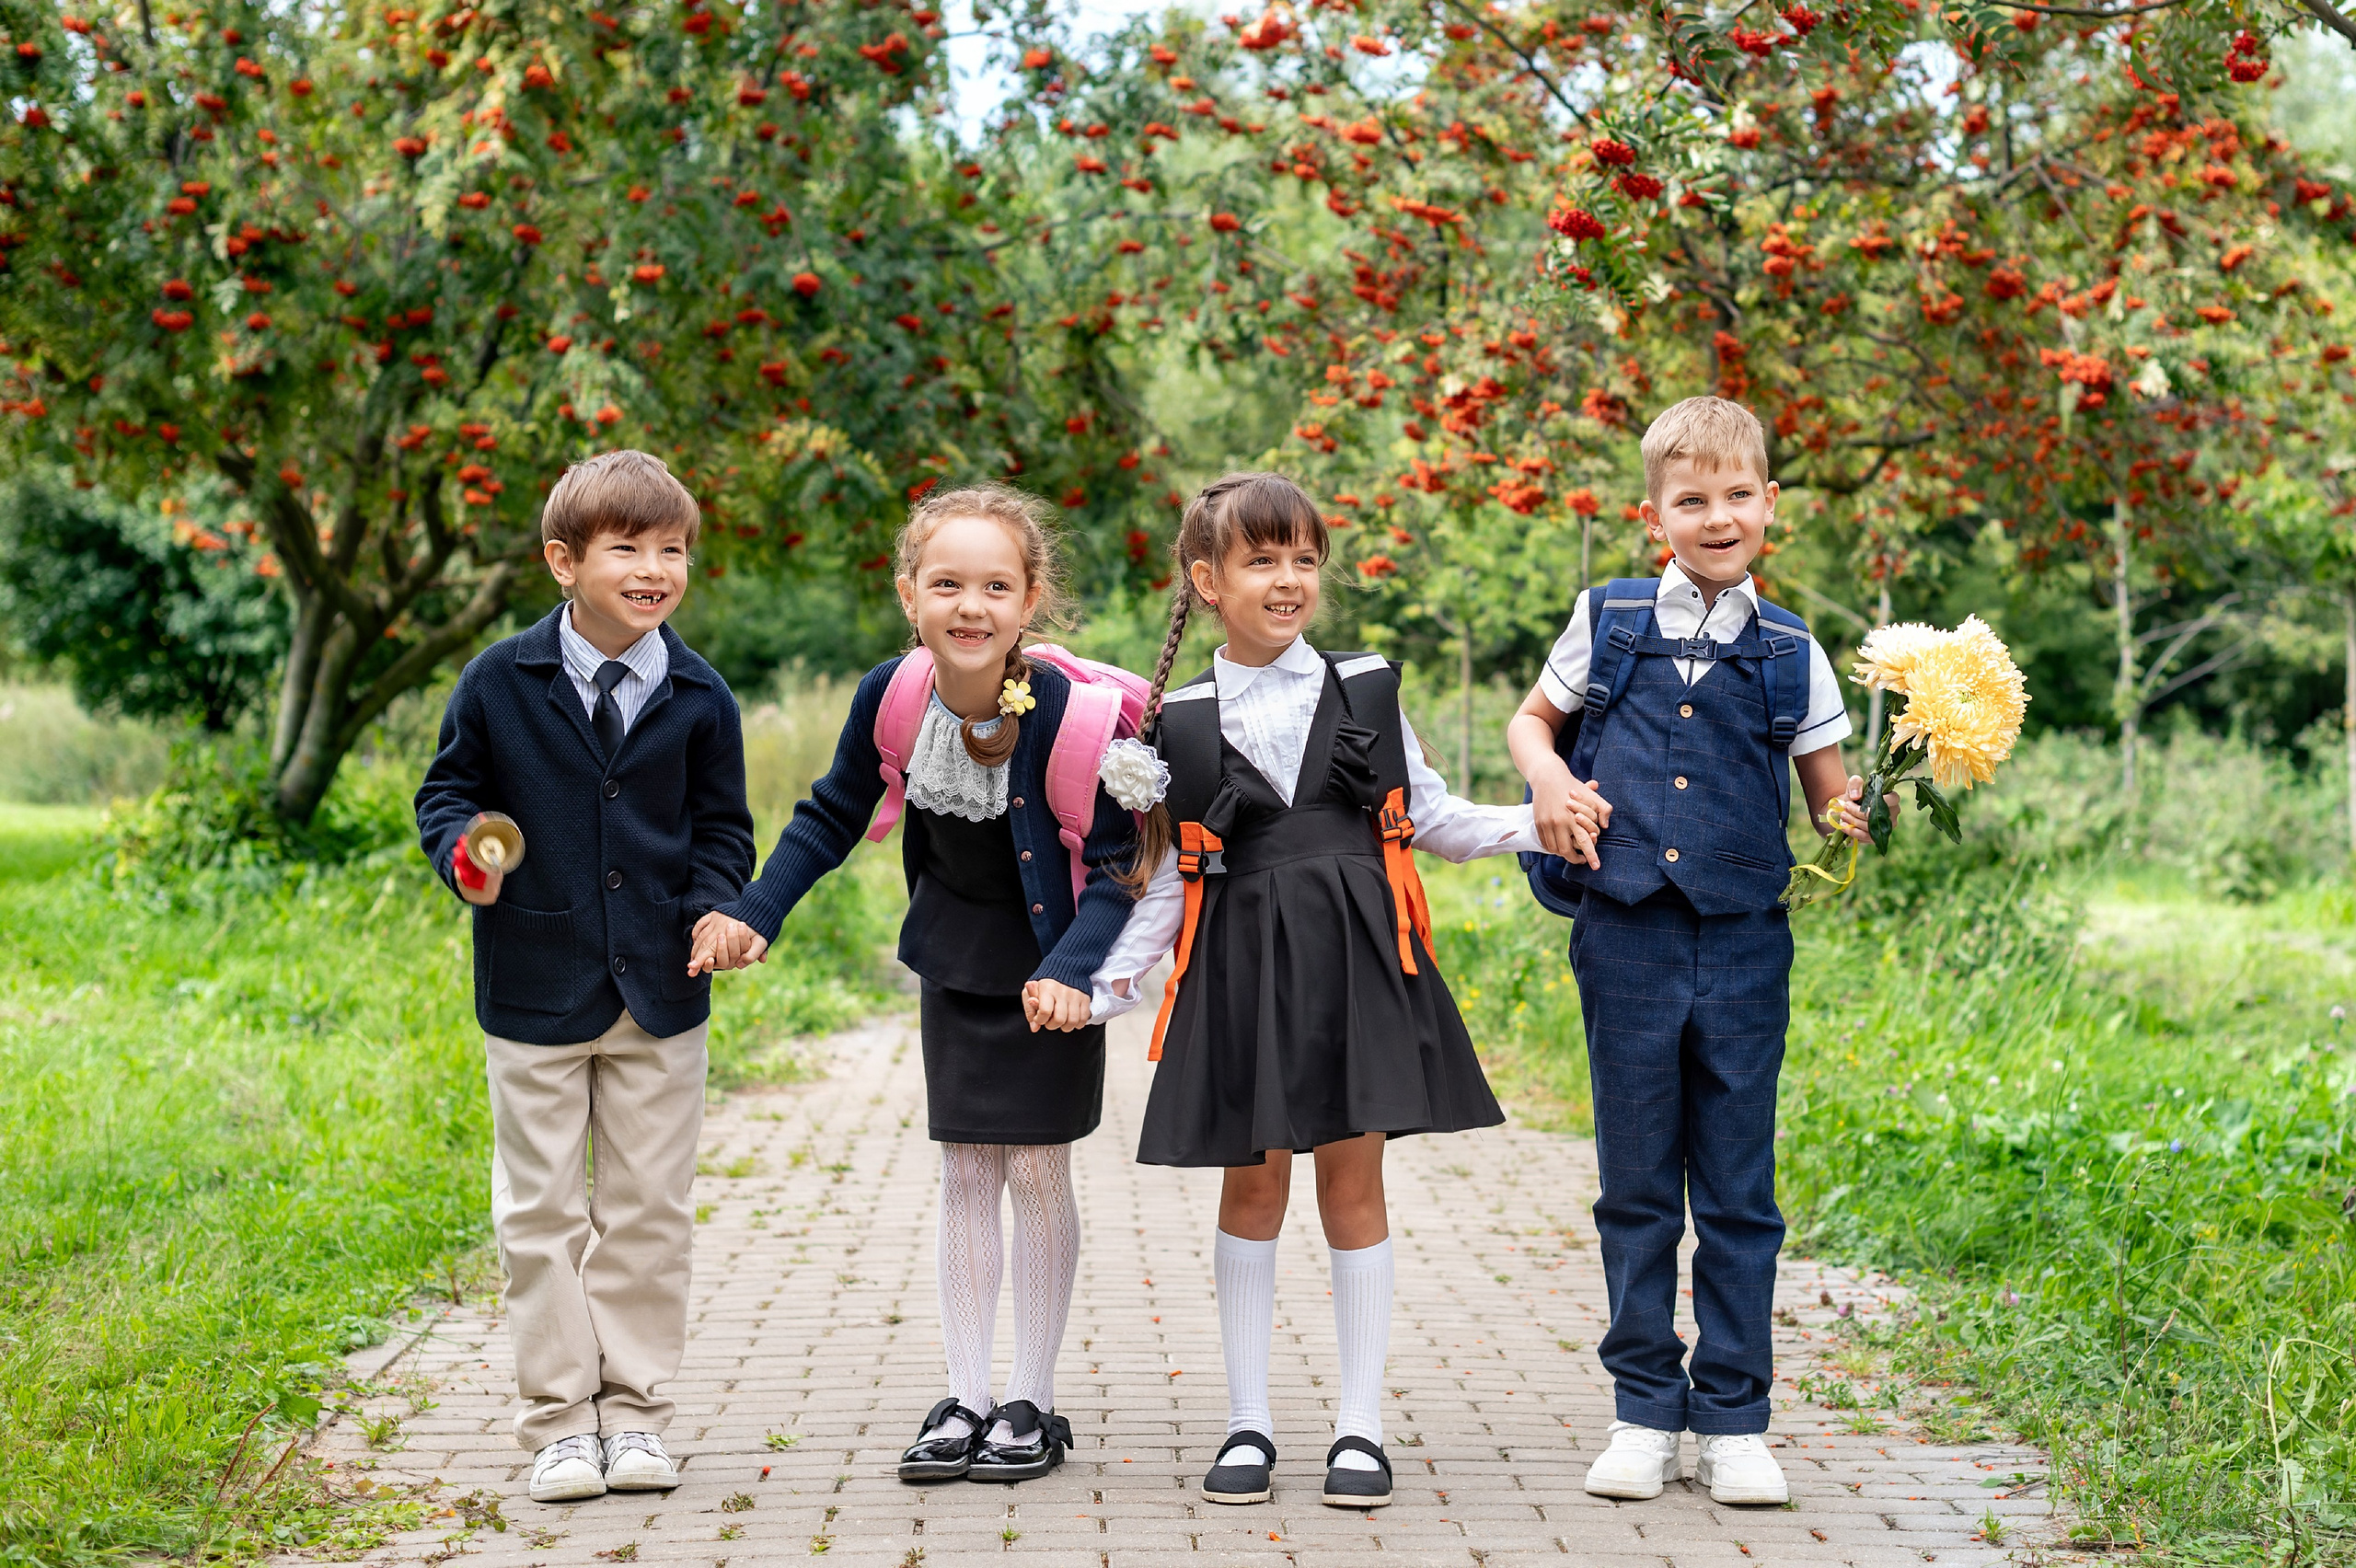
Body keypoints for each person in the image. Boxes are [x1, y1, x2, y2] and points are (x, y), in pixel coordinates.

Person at [1090, 472, 1538, 1511]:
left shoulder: (1368, 687)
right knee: (1252, 1189)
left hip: (1357, 965)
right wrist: (1102, 986)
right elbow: (1167, 883)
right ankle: (1247, 1422)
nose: (1288, 580)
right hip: (1241, 974)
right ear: (1207, 579)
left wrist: (1537, 824)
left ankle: (1359, 1426)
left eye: (1303, 559)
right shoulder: (1176, 723)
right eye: (1262, 561)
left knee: (1353, 1186)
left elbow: (1433, 818)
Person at [690, 483, 1138, 1486]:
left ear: (1029, 600)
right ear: (910, 595)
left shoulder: (1069, 714)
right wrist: (756, 912)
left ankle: (1030, 1401)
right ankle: (965, 1397)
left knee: (1037, 1172)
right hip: (954, 964)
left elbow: (1118, 869)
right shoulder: (891, 696)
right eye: (947, 584)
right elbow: (831, 811)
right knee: (968, 1171)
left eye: (993, 586)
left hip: (1050, 976)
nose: (968, 606)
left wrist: (1075, 973)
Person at [1505, 396, 1875, 1507]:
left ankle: (1734, 1419)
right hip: (1623, 935)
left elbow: (1827, 800)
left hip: (1744, 946)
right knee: (1634, 1185)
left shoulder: (1792, 649)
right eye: (1691, 499)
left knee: (1737, 1189)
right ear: (1654, 512)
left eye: (1736, 496)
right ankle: (1639, 1412)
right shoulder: (1608, 617)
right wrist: (1552, 780)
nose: (1717, 516)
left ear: (1771, 505)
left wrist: (1868, 804)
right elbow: (1532, 722)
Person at [414, 450, 756, 1505]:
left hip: (661, 990)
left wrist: (717, 907)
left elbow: (723, 834)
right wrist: (466, 849)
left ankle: (639, 1414)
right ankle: (562, 1421)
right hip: (533, 986)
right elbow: (447, 795)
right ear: (564, 561)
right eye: (628, 549)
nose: (655, 568)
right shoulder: (497, 680)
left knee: (650, 1211)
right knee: (539, 1215)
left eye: (673, 549)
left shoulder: (700, 695)